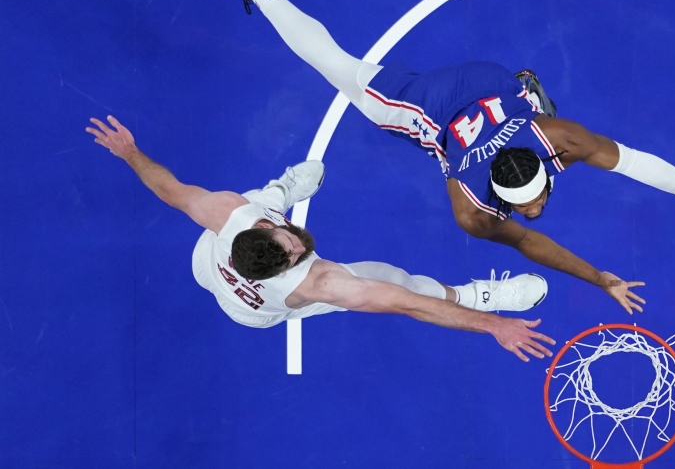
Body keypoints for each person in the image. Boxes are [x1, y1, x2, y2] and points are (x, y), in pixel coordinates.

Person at [206, 0, 675, 315]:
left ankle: (521, 94)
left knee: (369, 83)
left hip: (487, 83)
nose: (533, 213)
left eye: (534, 203)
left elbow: (636, 160)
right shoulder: (472, 207)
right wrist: (599, 278)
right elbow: (529, 243)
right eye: (524, 207)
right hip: (430, 105)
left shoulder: (561, 139)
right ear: (500, 191)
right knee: (337, 68)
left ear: (549, 168)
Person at [85, 115, 555, 362]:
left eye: (286, 235)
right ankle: (479, 293)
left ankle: (282, 189)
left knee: (249, 196)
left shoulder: (227, 213)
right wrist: (490, 322)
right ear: (287, 268)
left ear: (263, 227)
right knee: (393, 280)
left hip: (207, 265)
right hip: (252, 310)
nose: (301, 243)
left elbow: (167, 189)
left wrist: (129, 152)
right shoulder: (319, 283)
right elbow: (408, 304)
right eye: (295, 254)